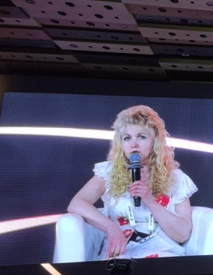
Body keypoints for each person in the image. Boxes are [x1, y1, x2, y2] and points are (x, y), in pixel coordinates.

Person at [68, 105, 197, 259]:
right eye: (127, 138)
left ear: (155, 141)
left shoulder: (176, 178)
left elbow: (182, 234)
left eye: (141, 137)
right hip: (121, 250)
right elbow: (76, 204)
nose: (133, 144)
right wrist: (111, 227)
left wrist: (150, 202)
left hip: (162, 251)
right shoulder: (109, 172)